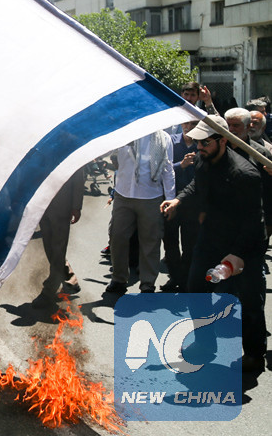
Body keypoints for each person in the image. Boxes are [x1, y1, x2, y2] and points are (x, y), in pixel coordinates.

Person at [161, 117, 268, 373]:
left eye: (205, 142)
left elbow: (254, 221)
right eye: (197, 142)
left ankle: (254, 354)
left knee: (248, 300)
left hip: (244, 244)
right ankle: (205, 344)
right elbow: (196, 186)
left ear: (222, 141)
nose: (199, 147)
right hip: (211, 238)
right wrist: (178, 201)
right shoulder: (202, 160)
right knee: (196, 289)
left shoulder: (245, 174)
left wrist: (237, 254)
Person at [106, 130, 174, 295]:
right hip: (123, 194)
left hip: (151, 196)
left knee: (150, 241)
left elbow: (167, 169)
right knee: (117, 237)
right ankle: (118, 279)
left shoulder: (164, 138)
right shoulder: (123, 132)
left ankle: (147, 284)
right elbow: (105, 152)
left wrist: (170, 199)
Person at [32, 168, 85, 309]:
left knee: (58, 250)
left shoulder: (71, 151)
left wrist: (76, 206)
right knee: (50, 248)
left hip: (62, 205)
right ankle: (70, 281)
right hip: (43, 204)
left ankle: (49, 291)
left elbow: (78, 175)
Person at [160, 120, 199, 292]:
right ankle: (175, 277)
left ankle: (185, 279)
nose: (188, 127)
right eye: (186, 123)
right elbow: (162, 169)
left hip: (193, 202)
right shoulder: (170, 141)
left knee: (190, 243)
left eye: (193, 124)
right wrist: (180, 165)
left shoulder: (203, 144)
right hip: (171, 199)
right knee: (170, 242)